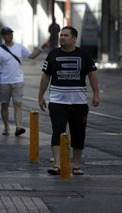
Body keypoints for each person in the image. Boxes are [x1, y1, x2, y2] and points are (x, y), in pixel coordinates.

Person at [38, 26, 99, 176]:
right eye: (61, 35)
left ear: (74, 39)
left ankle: (76, 165)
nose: (62, 38)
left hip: (78, 102)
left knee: (78, 133)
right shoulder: (53, 54)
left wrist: (96, 94)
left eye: (65, 35)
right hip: (57, 101)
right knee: (57, 131)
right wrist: (41, 96)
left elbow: (92, 75)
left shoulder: (84, 55)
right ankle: (57, 164)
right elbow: (45, 76)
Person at [0, 27, 49, 136]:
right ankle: (6, 127)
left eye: (11, 34)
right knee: (5, 105)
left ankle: (18, 127)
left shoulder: (19, 47)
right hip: (4, 81)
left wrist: (41, 49)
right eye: (7, 34)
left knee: (18, 104)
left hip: (18, 81)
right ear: (3, 36)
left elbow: (31, 56)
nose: (10, 35)